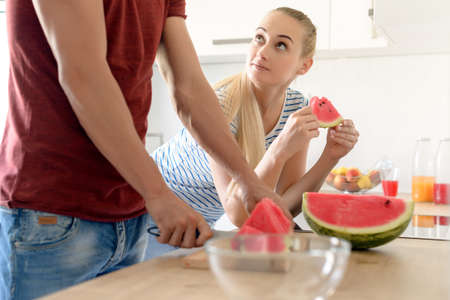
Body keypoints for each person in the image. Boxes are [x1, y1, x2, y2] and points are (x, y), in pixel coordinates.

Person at [0, 1, 290, 299]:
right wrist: (158, 193)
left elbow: (187, 86)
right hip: (52, 213)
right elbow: (83, 76)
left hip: (129, 215)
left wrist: (247, 180)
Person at [146, 7, 359, 258]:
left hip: (196, 227)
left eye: (280, 45)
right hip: (151, 215)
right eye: (260, 38)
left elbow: (283, 205)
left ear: (304, 65)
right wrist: (280, 149)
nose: (262, 52)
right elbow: (238, 214)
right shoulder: (222, 105)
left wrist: (330, 157)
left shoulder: (296, 106)